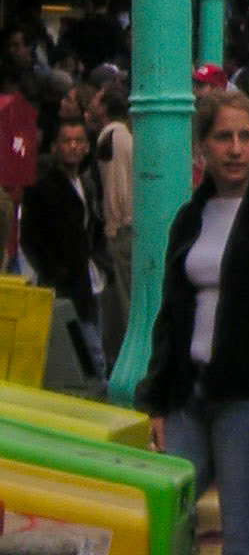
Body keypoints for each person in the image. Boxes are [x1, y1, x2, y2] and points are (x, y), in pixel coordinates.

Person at [144, 90, 249, 555]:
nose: (235, 149)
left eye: (245, 137)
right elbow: (171, 315)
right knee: (164, 524)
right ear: (202, 148)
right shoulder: (189, 217)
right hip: (188, 399)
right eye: (223, 137)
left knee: (245, 535)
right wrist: (156, 401)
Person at [20, 117, 111, 380]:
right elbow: (29, 237)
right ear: (54, 147)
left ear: (86, 147)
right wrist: (53, 271)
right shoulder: (43, 189)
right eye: (66, 141)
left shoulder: (87, 184)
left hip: (91, 283)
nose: (73, 146)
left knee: (93, 350)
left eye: (79, 141)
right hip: (69, 287)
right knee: (92, 359)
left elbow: (91, 230)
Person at [90, 83, 133, 363]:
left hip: (120, 229)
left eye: (96, 98)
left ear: (104, 107)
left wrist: (112, 226)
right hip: (125, 227)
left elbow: (116, 187)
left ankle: (118, 359)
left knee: (119, 300)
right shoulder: (123, 135)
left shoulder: (112, 138)